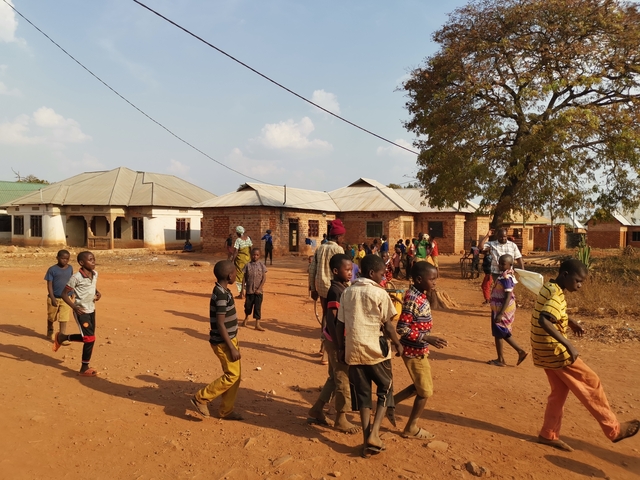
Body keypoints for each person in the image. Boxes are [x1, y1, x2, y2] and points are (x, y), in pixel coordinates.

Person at [532, 259, 639, 452]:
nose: (580, 286)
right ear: (565, 275)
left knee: (559, 393)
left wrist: (569, 321)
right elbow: (544, 320)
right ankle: (614, 429)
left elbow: (549, 311)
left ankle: (548, 433)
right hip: (555, 351)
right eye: (578, 281)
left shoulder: (550, 287)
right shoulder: (556, 296)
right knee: (592, 382)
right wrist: (568, 345)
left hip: (542, 350)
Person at [336, 254, 403, 458]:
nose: (384, 277)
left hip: (353, 351)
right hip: (375, 350)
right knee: (386, 387)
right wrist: (398, 343)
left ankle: (367, 442)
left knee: (363, 395)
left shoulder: (347, 293)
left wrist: (341, 348)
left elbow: (340, 325)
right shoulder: (379, 293)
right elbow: (389, 325)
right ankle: (374, 433)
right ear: (372, 273)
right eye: (382, 274)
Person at [308, 253, 360, 434]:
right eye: (347, 270)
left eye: (351, 269)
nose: (350, 273)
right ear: (336, 271)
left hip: (334, 340)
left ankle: (316, 409)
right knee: (342, 379)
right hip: (335, 342)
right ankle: (341, 418)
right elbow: (331, 319)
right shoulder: (335, 291)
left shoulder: (342, 288)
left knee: (333, 377)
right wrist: (340, 346)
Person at [394, 261, 447, 439]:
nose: (434, 283)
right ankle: (411, 427)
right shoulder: (412, 299)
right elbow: (402, 328)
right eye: (431, 279)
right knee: (424, 391)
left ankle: (389, 403)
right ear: (418, 279)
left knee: (421, 386)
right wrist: (427, 338)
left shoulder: (420, 295)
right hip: (413, 351)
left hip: (418, 349)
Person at [190, 260, 244, 421]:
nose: (236, 274)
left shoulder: (223, 290)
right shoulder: (220, 294)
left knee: (236, 375)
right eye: (235, 272)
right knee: (232, 375)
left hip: (230, 340)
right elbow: (220, 323)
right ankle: (201, 398)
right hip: (223, 342)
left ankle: (226, 410)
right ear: (229, 276)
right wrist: (231, 347)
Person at [53, 251, 101, 377]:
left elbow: (92, 287)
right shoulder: (76, 278)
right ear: (81, 263)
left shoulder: (95, 274)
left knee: (88, 337)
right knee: (90, 338)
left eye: (94, 259)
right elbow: (64, 294)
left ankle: (62, 337)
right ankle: (84, 367)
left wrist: (97, 292)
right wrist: (74, 307)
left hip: (92, 309)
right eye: (90, 260)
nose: (93, 262)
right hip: (81, 311)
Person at [309, 220, 346, 363]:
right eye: (342, 236)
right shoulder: (338, 250)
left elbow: (312, 269)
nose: (343, 239)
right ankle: (325, 351)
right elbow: (343, 271)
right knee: (333, 319)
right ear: (338, 237)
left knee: (326, 315)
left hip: (321, 287)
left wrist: (312, 288)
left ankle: (322, 346)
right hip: (334, 288)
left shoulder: (320, 248)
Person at [487, 254, 528, 367]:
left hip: (502, 308)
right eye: (499, 263)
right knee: (500, 331)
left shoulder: (506, 278)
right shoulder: (505, 275)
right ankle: (519, 352)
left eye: (503, 263)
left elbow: (508, 295)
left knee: (499, 332)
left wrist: (500, 313)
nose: (500, 265)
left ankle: (502, 359)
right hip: (498, 308)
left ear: (510, 265)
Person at [44, 249, 73, 343]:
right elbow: (49, 284)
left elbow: (71, 281)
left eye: (67, 259)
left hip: (66, 298)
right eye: (63, 258)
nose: (65, 260)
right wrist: (52, 298)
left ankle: (62, 336)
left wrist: (72, 291)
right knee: (51, 317)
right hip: (54, 297)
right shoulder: (52, 269)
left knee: (64, 318)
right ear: (57, 258)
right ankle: (50, 328)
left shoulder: (70, 268)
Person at [241, 248, 267, 331]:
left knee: (257, 307)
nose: (255, 256)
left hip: (258, 292)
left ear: (259, 256)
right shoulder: (247, 265)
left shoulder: (262, 266)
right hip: (249, 291)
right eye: (253, 255)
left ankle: (257, 324)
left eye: (257, 255)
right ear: (250, 255)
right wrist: (242, 290)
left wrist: (259, 288)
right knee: (248, 306)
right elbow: (244, 278)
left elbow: (264, 278)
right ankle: (246, 318)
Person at [231, 226, 253, 298]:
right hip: (248, 259)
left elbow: (236, 251)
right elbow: (250, 249)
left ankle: (241, 293)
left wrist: (232, 261)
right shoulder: (248, 238)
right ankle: (247, 293)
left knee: (239, 276)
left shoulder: (238, 240)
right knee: (247, 275)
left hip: (240, 261)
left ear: (237, 233)